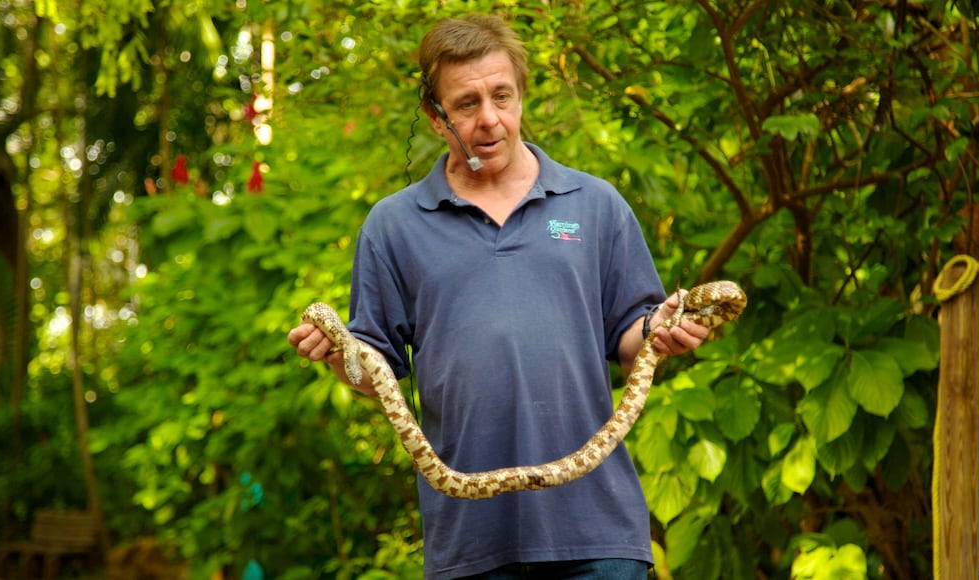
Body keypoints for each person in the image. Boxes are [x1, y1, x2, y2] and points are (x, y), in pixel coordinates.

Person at [288, 14, 709, 580]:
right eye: (466, 104)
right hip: (469, 542)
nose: (490, 119)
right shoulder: (393, 226)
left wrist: (662, 328)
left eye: (502, 96)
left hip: (598, 531)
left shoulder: (596, 204)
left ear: (520, 96)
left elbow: (631, 339)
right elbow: (377, 373)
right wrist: (342, 354)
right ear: (436, 118)